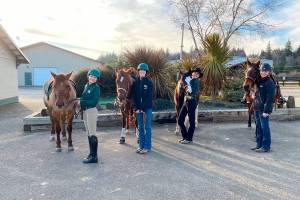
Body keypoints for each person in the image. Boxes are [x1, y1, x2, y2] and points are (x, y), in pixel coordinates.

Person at [77, 68, 101, 163]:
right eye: (91, 76)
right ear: (88, 76)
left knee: (92, 133)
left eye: (95, 77)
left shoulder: (96, 88)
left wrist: (81, 102)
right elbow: (84, 97)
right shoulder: (87, 85)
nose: (92, 78)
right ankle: (91, 153)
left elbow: (94, 101)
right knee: (88, 133)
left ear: (97, 79)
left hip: (91, 111)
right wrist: (79, 101)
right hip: (85, 111)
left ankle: (94, 157)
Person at [251, 63, 275, 153]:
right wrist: (254, 95)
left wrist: (267, 111)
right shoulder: (259, 81)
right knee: (258, 127)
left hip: (263, 110)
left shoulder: (270, 83)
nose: (263, 72)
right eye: (262, 70)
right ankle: (259, 144)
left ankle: (266, 146)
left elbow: (270, 99)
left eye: (265, 71)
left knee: (264, 127)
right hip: (257, 107)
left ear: (269, 72)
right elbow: (258, 93)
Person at [131, 63, 153, 154]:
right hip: (138, 109)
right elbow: (134, 97)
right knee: (140, 127)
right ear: (138, 71)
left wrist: (143, 108)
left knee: (147, 127)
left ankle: (147, 146)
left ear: (146, 72)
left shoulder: (149, 82)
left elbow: (149, 97)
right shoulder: (135, 82)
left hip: (147, 108)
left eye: (144, 71)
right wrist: (137, 107)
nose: (142, 72)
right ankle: (141, 145)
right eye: (140, 70)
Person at [178, 67, 202, 144]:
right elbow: (185, 89)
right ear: (192, 73)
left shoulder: (196, 82)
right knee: (180, 120)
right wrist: (185, 86)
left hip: (192, 102)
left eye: (197, 74)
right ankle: (185, 137)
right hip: (186, 102)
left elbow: (192, 92)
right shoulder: (190, 80)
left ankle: (189, 139)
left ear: (198, 76)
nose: (195, 74)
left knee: (192, 122)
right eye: (194, 72)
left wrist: (187, 86)